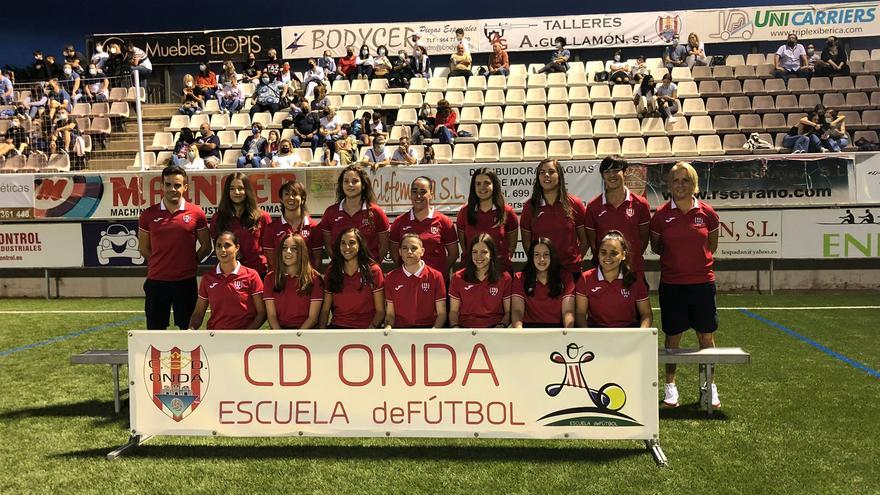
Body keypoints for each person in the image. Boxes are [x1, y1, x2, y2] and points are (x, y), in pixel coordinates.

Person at [650, 161, 721, 409]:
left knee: (706, 336)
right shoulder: (660, 216)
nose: (680, 185)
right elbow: (657, 247)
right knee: (673, 338)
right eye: (676, 180)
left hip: (702, 285)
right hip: (672, 286)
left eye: (685, 180)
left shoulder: (708, 213)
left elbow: (711, 245)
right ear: (669, 185)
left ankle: (709, 385)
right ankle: (671, 386)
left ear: (694, 184)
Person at [138, 165, 211, 330]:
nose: (173, 189)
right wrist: (161, 263)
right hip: (156, 282)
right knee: (155, 331)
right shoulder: (148, 214)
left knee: (188, 330)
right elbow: (143, 249)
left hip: (185, 282)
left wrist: (190, 263)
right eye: (168, 184)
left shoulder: (196, 213)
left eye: (177, 185)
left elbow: (206, 246)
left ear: (185, 187)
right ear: (162, 186)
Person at [520, 159, 588, 281]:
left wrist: (574, 260)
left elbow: (585, 240)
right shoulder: (530, 206)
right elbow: (526, 243)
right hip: (542, 272)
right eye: (542, 172)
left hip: (571, 270)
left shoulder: (575, 204)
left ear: (559, 175)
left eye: (551, 172)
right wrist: (539, 262)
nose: (546, 175)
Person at [584, 157, 651, 279]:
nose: (612, 175)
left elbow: (644, 239)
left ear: (625, 172)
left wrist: (629, 259)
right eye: (607, 172)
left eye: (616, 170)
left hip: (633, 270)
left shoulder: (641, 204)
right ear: (602, 175)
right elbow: (593, 244)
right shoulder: (593, 206)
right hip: (604, 271)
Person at [188, 231, 266, 330]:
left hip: (244, 339)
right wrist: (191, 328)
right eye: (219, 246)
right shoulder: (208, 278)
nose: (222, 250)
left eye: (227, 245)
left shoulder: (251, 275)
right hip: (215, 336)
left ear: (237, 247)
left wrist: (247, 334)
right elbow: (198, 313)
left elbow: (262, 313)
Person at [575, 231, 652, 329]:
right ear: (598, 254)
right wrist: (587, 334)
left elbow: (646, 313)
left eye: (613, 253)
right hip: (596, 330)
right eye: (603, 252)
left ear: (623, 255)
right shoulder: (586, 278)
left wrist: (639, 334)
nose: (607, 257)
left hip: (628, 331)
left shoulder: (635, 279)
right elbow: (580, 313)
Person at [389, 177, 459, 279]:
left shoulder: (444, 221)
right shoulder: (399, 222)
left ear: (431, 194)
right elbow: (395, 254)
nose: (418, 196)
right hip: (408, 282)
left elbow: (454, 254)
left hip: (437, 282)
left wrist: (438, 271)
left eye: (423, 192)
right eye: (414, 191)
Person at [320, 164, 390, 261]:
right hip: (341, 271)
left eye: (355, 181)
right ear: (341, 185)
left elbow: (384, 246)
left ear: (363, 185)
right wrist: (341, 266)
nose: (350, 185)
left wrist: (373, 266)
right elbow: (328, 247)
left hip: (369, 271)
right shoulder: (330, 212)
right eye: (346, 181)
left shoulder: (376, 212)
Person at [320, 228, 386, 329]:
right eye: (343, 243)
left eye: (352, 243)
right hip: (338, 327)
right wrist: (322, 331)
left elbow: (380, 311)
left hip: (367, 329)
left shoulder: (374, 271)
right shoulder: (332, 270)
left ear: (360, 245)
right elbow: (325, 310)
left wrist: (370, 331)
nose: (347, 247)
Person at [210, 171, 272, 277]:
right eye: (232, 188)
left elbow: (270, 252)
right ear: (227, 192)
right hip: (229, 275)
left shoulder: (262, 217)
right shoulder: (218, 218)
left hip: (259, 274)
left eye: (241, 188)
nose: (236, 192)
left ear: (247, 190)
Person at [456, 168, 518, 273]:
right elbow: (465, 247)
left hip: (501, 273)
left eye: (487, 183)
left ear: (494, 185)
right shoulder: (464, 212)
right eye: (478, 184)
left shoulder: (508, 212)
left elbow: (511, 247)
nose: (482, 187)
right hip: (471, 273)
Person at [384, 233, 447, 328]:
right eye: (405, 248)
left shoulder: (435, 276)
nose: (409, 252)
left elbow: (441, 314)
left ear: (422, 251)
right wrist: (387, 330)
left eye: (414, 248)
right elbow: (390, 315)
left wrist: (433, 332)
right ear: (400, 252)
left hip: (428, 329)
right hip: (400, 330)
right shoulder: (391, 277)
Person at [449, 234, 512, 328]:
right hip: (465, 329)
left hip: (496, 328)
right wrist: (455, 327)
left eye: (484, 252)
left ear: (491, 254)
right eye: (474, 252)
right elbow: (453, 311)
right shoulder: (458, 277)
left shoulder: (505, 277)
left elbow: (508, 312)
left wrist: (502, 326)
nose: (479, 256)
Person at [511, 238, 575, 328]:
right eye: (536, 255)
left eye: (546, 254)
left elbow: (568, 311)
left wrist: (568, 332)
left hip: (558, 329)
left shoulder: (566, 276)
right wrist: (519, 332)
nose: (541, 259)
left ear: (552, 256)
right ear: (531, 257)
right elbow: (517, 311)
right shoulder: (520, 277)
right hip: (529, 329)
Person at [264, 233, 323, 330]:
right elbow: (271, 316)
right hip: (279, 332)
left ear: (302, 252)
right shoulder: (270, 278)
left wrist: (296, 337)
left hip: (306, 332)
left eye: (294, 248)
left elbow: (313, 318)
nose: (288, 251)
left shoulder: (315, 278)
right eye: (284, 248)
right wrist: (280, 336)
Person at [263, 180, 322, 269]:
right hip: (282, 280)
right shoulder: (271, 228)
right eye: (286, 194)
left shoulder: (313, 226)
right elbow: (271, 260)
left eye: (294, 194)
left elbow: (317, 259)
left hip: (307, 279)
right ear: (281, 200)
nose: (290, 197)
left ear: (302, 199)